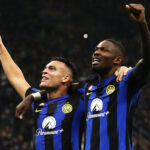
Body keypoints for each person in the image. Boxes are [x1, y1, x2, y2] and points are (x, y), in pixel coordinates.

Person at [0, 35, 129, 150]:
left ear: (66, 78)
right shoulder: (37, 101)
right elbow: (16, 78)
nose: (44, 71)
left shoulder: (81, 99)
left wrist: (121, 69)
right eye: (45, 68)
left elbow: (103, 83)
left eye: (52, 69)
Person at [83, 3, 150, 150]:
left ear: (117, 60)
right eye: (96, 50)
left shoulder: (126, 80)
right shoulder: (86, 89)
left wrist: (142, 25)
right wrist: (32, 97)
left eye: (103, 50)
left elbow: (147, 61)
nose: (96, 52)